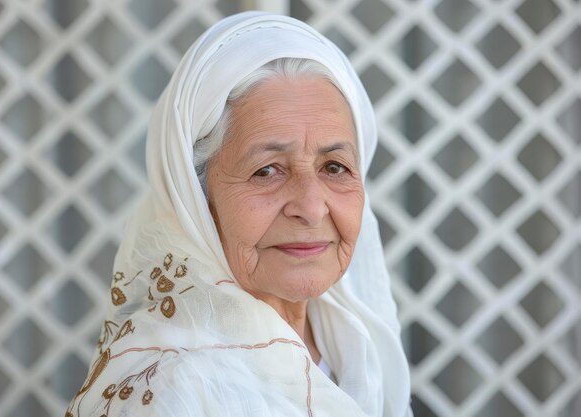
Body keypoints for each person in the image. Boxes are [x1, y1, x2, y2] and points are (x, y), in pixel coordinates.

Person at [67, 11, 412, 417]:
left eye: (334, 167)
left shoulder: (357, 342)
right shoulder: (172, 392)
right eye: (266, 171)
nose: (311, 207)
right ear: (196, 197)